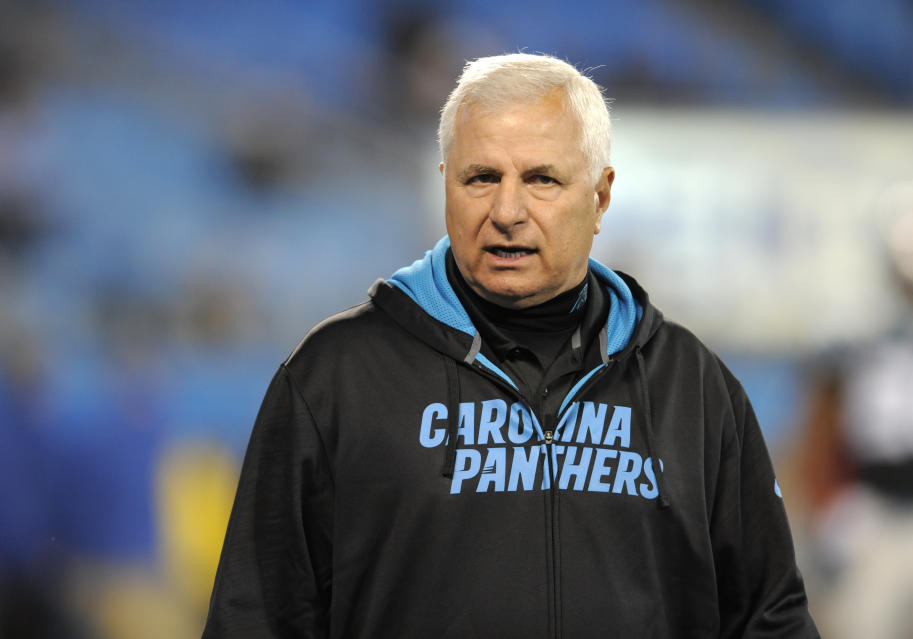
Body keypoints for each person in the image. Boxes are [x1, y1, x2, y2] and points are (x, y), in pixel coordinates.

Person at [202, 53, 819, 638]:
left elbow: (771, 618)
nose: (506, 210)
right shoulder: (335, 377)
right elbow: (255, 617)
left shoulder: (693, 387)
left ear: (600, 197)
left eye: (542, 180)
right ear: (444, 183)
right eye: (481, 177)